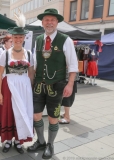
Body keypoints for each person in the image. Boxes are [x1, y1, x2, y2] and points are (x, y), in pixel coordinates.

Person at [27, 8, 78, 159]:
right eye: (46, 20)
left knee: (52, 117)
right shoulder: (38, 39)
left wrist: (69, 85)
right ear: (42, 23)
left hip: (57, 85)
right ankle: (41, 141)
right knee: (36, 115)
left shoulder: (65, 40)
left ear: (57, 22)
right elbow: (35, 63)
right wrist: (31, 81)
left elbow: (73, 65)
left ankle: (50, 144)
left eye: (52, 20)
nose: (49, 23)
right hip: (38, 84)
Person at [0, 13, 34, 154]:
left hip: (24, 86)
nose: (18, 39)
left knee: (22, 111)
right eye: (15, 37)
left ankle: (18, 140)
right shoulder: (5, 54)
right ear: (12, 38)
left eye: (20, 37)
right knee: (9, 112)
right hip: (9, 84)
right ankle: (8, 140)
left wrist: (31, 90)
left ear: (24, 38)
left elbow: (31, 74)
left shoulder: (29, 54)